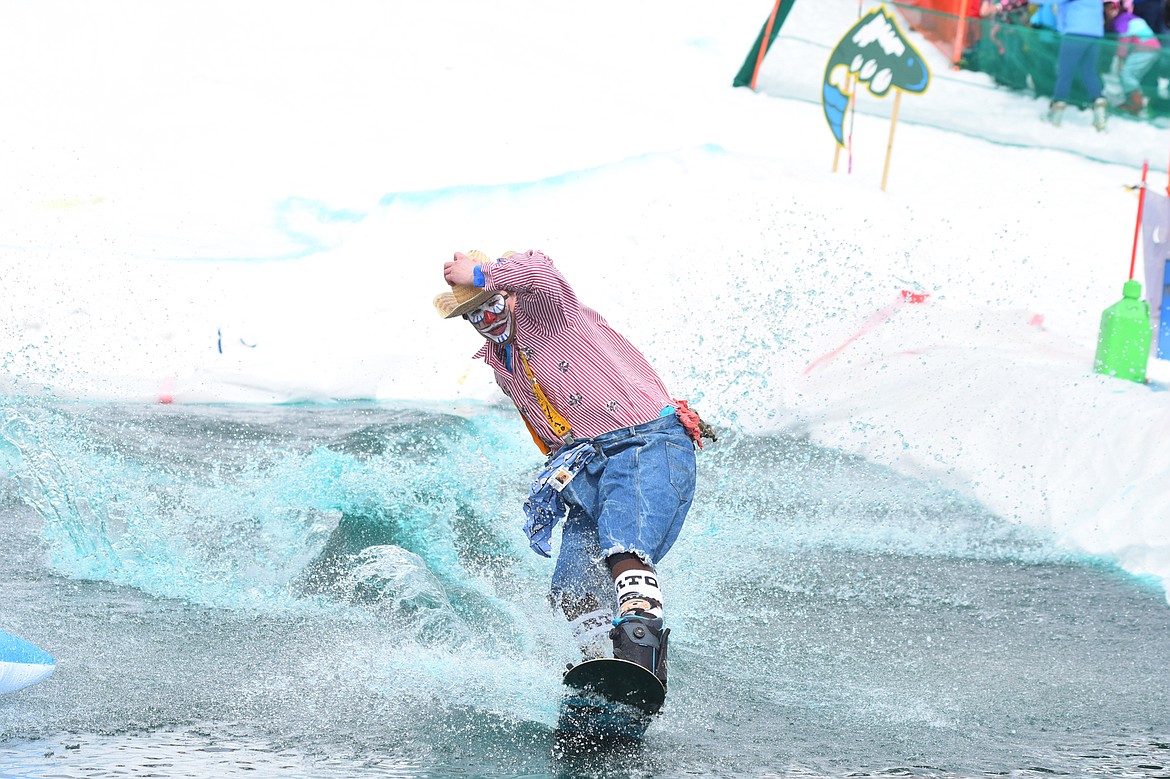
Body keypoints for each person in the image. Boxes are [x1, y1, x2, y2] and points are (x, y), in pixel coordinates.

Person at [433, 249, 712, 688]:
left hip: (645, 442)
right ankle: (605, 673)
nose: (486, 320)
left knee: (624, 546)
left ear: (509, 294)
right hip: (585, 466)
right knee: (571, 587)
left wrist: (481, 273)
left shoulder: (550, 314)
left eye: (490, 305)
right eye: (474, 317)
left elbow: (540, 268)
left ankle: (639, 657)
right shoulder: (502, 364)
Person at [1048, 0, 1109, 130]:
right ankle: (1099, 111)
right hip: (1094, 34)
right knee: (1089, 72)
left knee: (1065, 73)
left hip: (1074, 33)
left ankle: (1056, 112)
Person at [1105, 0, 1163, 114]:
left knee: (1127, 74)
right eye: (1107, 8)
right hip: (1150, 48)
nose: (1109, 11)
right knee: (1132, 75)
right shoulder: (1129, 18)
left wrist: (1120, 58)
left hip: (1145, 49)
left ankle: (1136, 104)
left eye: (1112, 7)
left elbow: (1124, 39)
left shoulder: (1122, 20)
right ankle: (1135, 101)